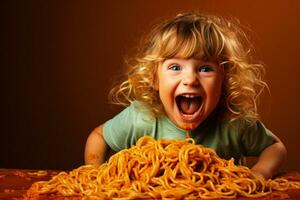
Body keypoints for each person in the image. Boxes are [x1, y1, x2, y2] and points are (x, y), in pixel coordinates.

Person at [84, 13, 287, 180]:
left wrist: (261, 172)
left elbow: (275, 147)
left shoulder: (234, 122)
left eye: (205, 68)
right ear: (155, 79)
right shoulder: (142, 117)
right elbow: (99, 136)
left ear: (224, 80)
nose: (190, 79)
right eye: (175, 67)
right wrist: (96, 174)